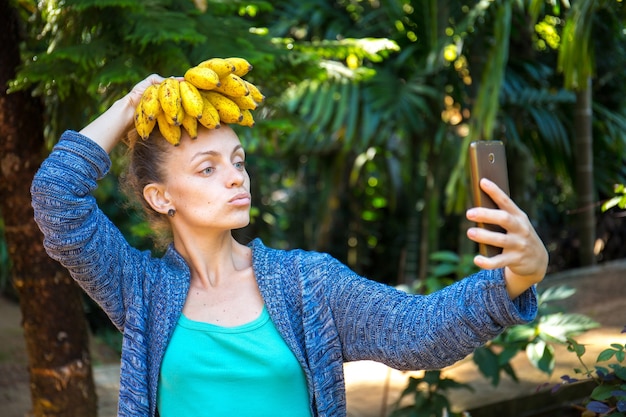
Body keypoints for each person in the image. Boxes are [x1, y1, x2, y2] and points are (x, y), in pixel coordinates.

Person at [31, 74, 549, 417]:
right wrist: (128, 106)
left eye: (237, 161)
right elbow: (56, 196)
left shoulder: (306, 284)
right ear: (161, 197)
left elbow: (417, 332)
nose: (236, 178)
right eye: (208, 168)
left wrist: (517, 276)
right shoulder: (140, 290)